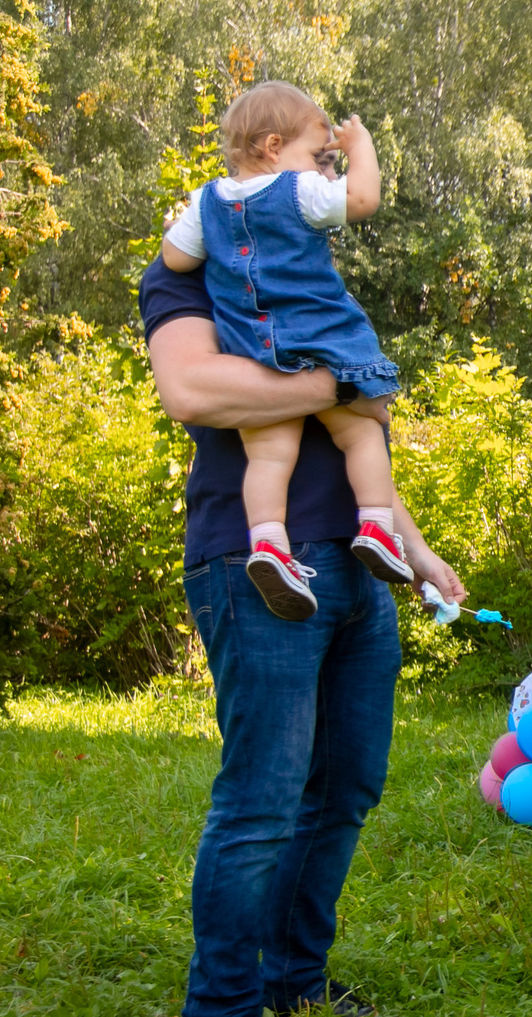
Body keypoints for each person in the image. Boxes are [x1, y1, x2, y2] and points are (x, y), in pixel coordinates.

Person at [141, 252, 465, 1017]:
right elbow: (194, 394)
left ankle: (294, 979)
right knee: (263, 799)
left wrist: (418, 550)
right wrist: (340, 383)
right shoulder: (186, 278)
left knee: (348, 784)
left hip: (361, 567)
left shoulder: (311, 277)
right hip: (255, 570)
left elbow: (366, 445)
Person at [158, 81, 415, 619]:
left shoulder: (206, 203)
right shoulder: (298, 192)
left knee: (270, 455)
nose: (325, 170)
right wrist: (360, 146)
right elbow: (363, 197)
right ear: (274, 148)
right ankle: (375, 525)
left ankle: (270, 543)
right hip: (325, 343)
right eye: (318, 156)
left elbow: (176, 259)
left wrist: (194, 237)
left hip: (255, 354)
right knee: (363, 431)